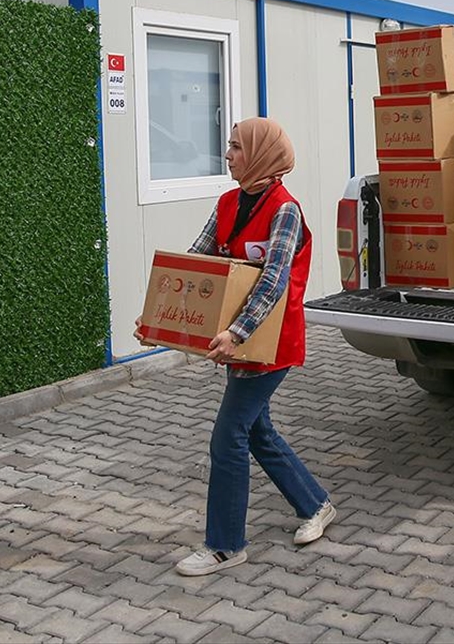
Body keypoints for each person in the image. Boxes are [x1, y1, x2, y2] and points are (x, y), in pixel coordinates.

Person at [136, 117, 335, 576]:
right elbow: (199, 261)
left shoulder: (285, 210)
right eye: (229, 147)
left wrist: (238, 332)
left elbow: (274, 280)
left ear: (262, 154)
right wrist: (157, 318)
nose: (227, 155)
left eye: (236, 147)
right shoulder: (228, 202)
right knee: (256, 431)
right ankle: (315, 504)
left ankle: (226, 545)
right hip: (236, 343)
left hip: (269, 343)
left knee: (228, 436)